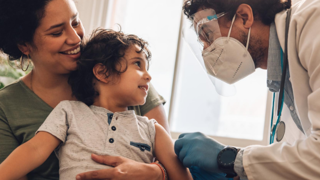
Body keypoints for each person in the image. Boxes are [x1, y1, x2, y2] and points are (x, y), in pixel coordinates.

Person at [0, 0, 169, 179]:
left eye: (75, 22)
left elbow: (171, 164)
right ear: (24, 45)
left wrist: (156, 173)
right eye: (57, 32)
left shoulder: (127, 82)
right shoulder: (6, 107)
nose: (76, 38)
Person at [174, 0, 320, 179]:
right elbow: (297, 166)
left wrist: (231, 159)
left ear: (245, 17)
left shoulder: (313, 22)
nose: (206, 51)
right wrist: (237, 171)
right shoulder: (282, 80)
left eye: (209, 35)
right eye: (202, 42)